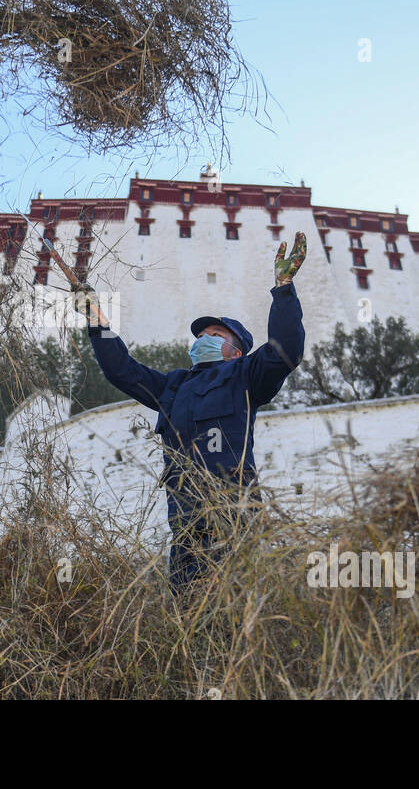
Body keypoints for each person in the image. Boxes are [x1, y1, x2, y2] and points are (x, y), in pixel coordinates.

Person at [73, 234, 307, 590]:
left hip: (235, 516)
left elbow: (283, 349)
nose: (203, 339)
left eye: (214, 333)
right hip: (184, 524)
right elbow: (122, 370)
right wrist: (96, 319)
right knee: (190, 614)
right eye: (200, 335)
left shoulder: (246, 376)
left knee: (238, 606)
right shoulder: (173, 385)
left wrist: (284, 289)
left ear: (237, 350)